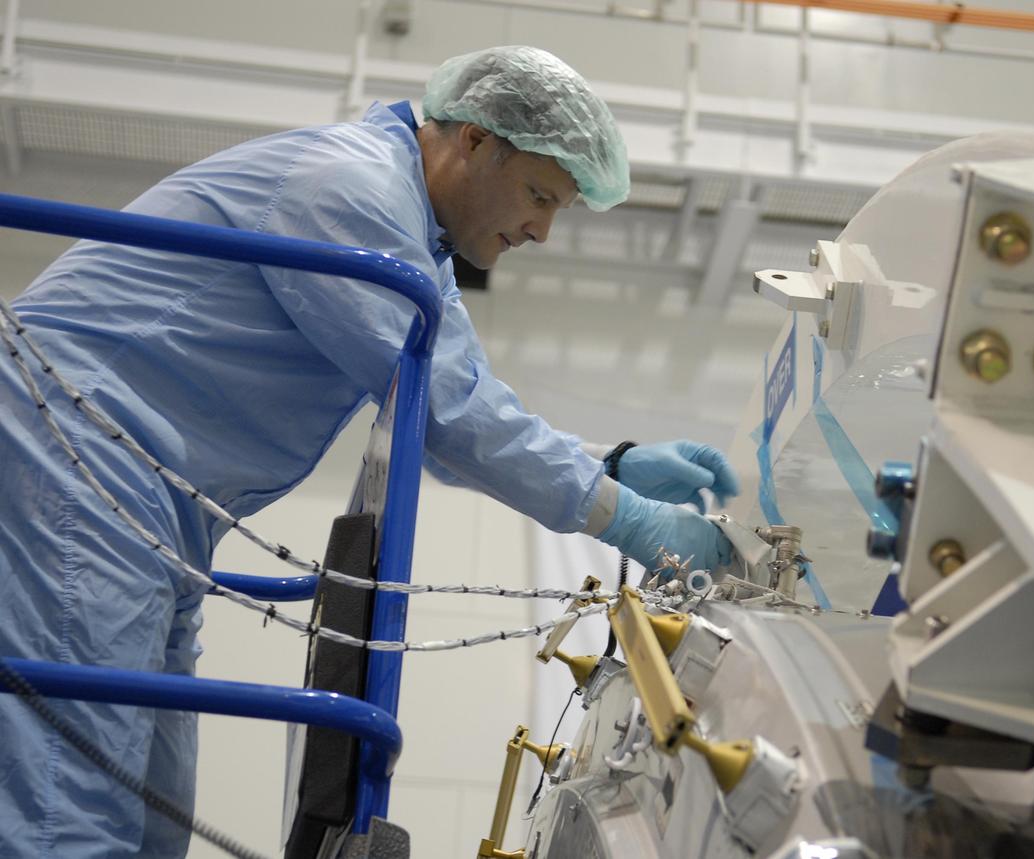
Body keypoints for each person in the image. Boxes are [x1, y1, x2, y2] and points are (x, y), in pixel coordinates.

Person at [0, 46, 737, 857]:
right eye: (538, 195)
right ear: (475, 141)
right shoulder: (351, 187)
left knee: (149, 823)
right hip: (74, 458)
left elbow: (441, 413)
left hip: (147, 506)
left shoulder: (412, 237)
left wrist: (609, 467)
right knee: (69, 816)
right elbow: (455, 413)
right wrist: (627, 517)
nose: (541, 230)